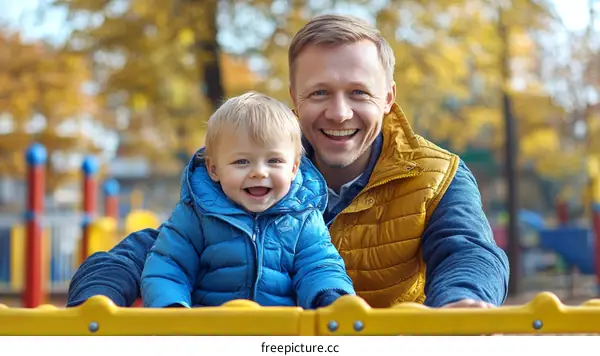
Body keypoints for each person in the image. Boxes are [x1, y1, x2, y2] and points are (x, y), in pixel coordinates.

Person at [67, 14, 509, 309]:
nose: (339, 113)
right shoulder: (257, 166)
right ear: (295, 98)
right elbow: (165, 246)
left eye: (359, 92)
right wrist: (98, 299)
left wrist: (460, 302)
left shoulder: (436, 175)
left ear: (389, 98)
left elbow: (468, 250)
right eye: (320, 93)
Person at [140, 92, 355, 309]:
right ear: (214, 169)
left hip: (278, 331)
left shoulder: (302, 217)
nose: (259, 172)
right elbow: (168, 267)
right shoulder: (196, 214)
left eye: (274, 160)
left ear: (293, 168)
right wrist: (172, 308)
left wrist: (329, 297)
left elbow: (319, 266)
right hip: (211, 332)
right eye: (242, 161)